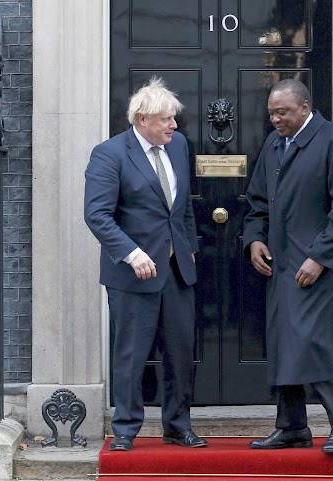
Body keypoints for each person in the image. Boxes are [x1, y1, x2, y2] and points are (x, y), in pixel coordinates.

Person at [84, 77, 207, 451]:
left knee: (181, 351)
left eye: (174, 119)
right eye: (166, 119)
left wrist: (188, 248)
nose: (174, 125)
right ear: (141, 119)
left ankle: (177, 425)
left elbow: (181, 207)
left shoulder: (179, 146)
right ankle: (125, 428)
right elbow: (97, 215)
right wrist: (132, 253)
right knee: (131, 354)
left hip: (176, 271)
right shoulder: (110, 154)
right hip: (132, 272)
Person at [243, 79, 333, 453]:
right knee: (285, 341)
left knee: (311, 340)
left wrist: (319, 257)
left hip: (324, 265)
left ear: (305, 107)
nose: (276, 119)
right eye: (272, 113)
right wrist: (254, 238)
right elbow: (257, 200)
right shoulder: (275, 143)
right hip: (283, 263)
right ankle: (292, 427)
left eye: (283, 112)